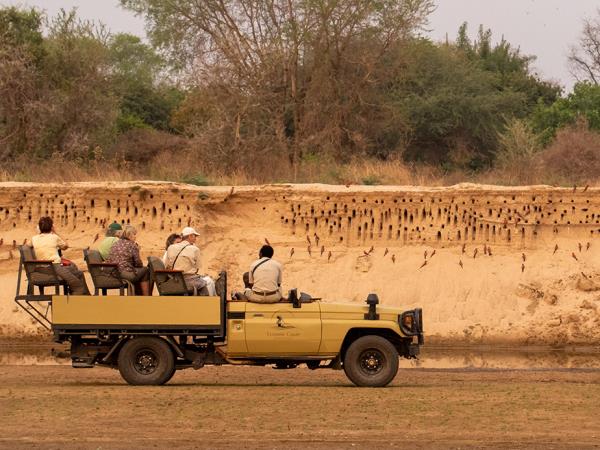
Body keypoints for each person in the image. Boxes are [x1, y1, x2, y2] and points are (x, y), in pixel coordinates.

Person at [31, 216, 90, 295]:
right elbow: (65, 246)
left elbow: (27, 245)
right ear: (51, 227)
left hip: (41, 268)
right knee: (78, 287)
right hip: (54, 267)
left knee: (79, 274)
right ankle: (72, 304)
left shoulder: (34, 238)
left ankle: (88, 298)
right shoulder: (54, 237)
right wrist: (56, 232)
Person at [164, 227, 215, 295]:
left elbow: (167, 265)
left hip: (174, 281)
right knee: (205, 284)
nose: (195, 239)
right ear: (190, 236)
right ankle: (207, 304)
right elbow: (197, 268)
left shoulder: (171, 247)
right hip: (189, 281)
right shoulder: (195, 249)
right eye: (194, 236)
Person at [107, 225, 150, 296]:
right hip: (124, 274)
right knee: (145, 271)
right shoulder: (132, 245)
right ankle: (146, 297)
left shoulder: (115, 243)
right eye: (134, 234)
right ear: (129, 235)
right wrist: (137, 250)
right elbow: (138, 264)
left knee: (138, 273)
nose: (135, 237)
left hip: (113, 274)